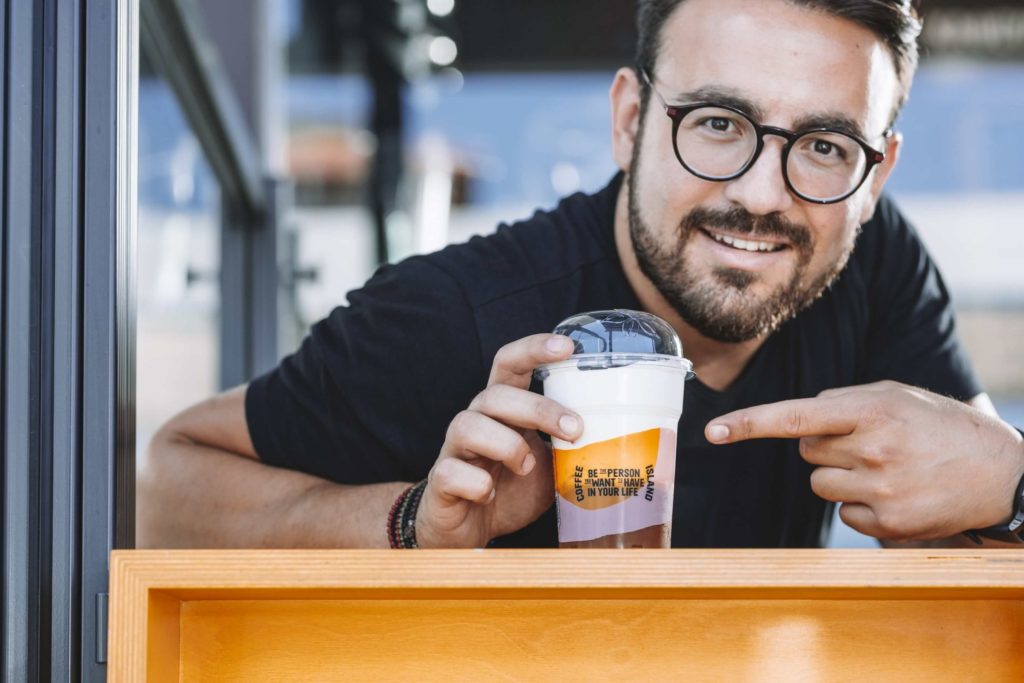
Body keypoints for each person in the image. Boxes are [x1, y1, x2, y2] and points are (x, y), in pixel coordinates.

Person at [138, 0, 1024, 550]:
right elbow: (168, 485)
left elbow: (967, 523)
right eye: (717, 123)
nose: (762, 194)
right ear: (631, 119)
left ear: (878, 173)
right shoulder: (459, 313)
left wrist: (1014, 487)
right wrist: (412, 523)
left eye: (826, 146)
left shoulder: (874, 262)